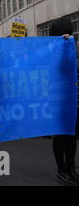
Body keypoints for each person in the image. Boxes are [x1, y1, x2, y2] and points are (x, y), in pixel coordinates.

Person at [49, 17, 79, 186]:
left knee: (71, 135)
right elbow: (60, 67)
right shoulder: (53, 49)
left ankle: (71, 168)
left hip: (71, 97)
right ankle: (61, 170)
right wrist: (66, 48)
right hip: (58, 98)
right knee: (61, 135)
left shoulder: (72, 47)